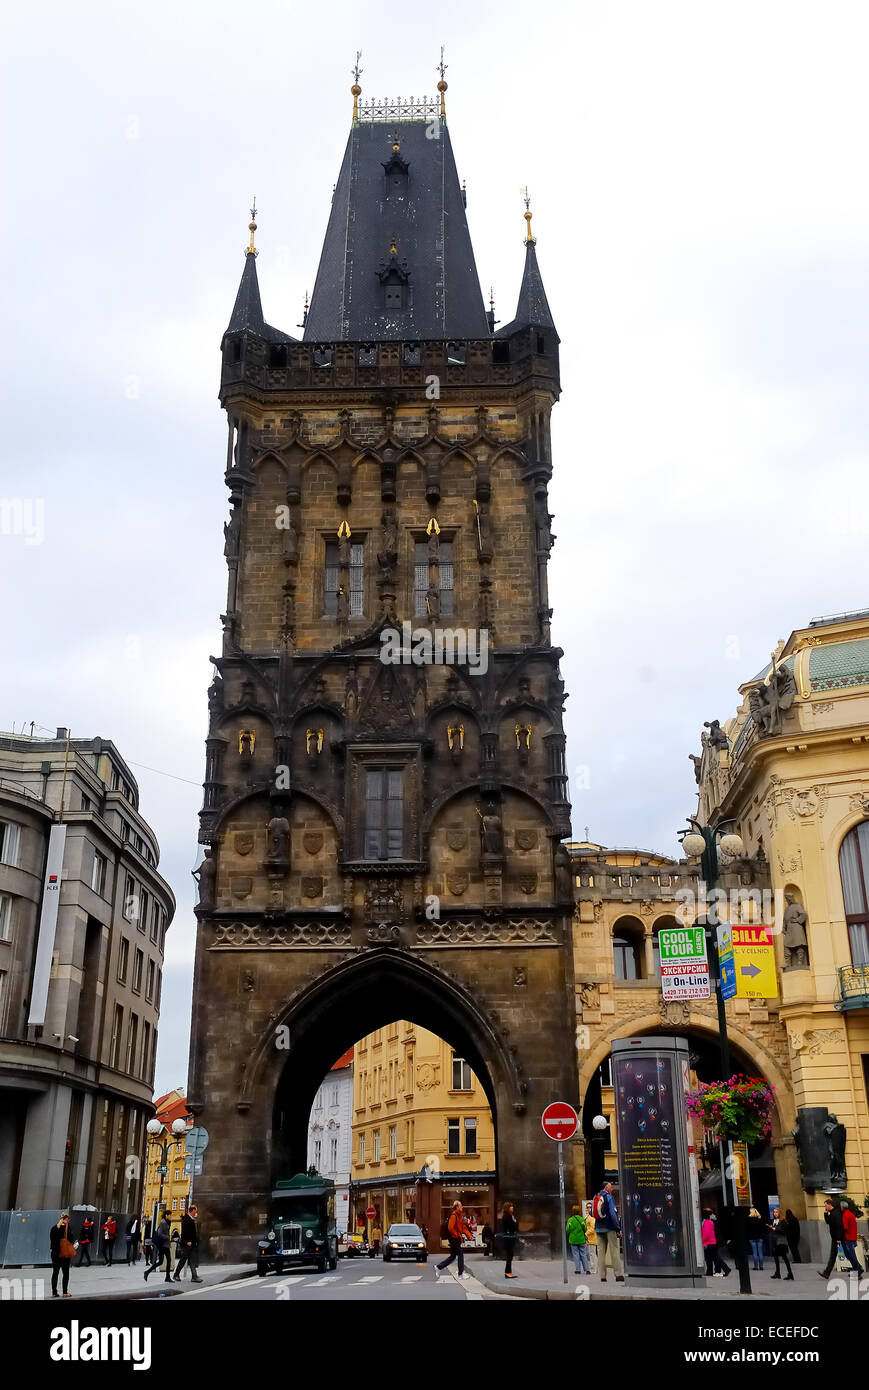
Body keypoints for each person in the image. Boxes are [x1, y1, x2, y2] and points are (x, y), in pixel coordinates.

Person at [593, 1182, 624, 1282]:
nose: (612, 1189)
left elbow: (591, 1212)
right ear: (606, 1187)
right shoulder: (609, 1197)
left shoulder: (595, 1197)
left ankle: (602, 1276)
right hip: (609, 1228)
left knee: (601, 1252)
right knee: (614, 1251)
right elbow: (612, 1214)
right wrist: (618, 1227)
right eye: (611, 1187)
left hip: (598, 1228)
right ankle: (618, 1275)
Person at [435, 1200, 473, 1280]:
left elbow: (463, 1227)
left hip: (455, 1238)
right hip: (454, 1239)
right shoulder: (454, 1216)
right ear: (456, 1207)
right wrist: (456, 1235)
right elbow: (450, 1227)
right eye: (460, 1206)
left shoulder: (459, 1216)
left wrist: (469, 1236)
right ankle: (460, 1274)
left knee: (453, 1256)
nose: (462, 1207)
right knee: (460, 1254)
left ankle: (438, 1267)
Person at [174, 1203, 204, 1283]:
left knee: (191, 1260)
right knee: (183, 1260)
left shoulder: (191, 1219)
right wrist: (188, 1241)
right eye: (196, 1211)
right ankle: (176, 1274)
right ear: (193, 1210)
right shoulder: (186, 1219)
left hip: (191, 1244)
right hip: (187, 1244)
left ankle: (194, 1276)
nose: (196, 1213)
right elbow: (185, 1232)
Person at [50, 1213, 74, 1298]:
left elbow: (52, 1241)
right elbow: (71, 1241)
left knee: (55, 1273)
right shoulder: (68, 1229)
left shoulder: (53, 1228)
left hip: (55, 1254)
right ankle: (65, 1292)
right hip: (64, 1255)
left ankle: (54, 1292)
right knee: (66, 1273)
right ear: (66, 1220)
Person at [701, 1209, 731, 1277]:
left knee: (714, 1257)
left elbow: (706, 1233)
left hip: (709, 1242)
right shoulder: (709, 1222)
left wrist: (702, 1241)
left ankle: (726, 1269)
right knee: (710, 1257)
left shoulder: (707, 1222)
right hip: (711, 1242)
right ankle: (710, 1271)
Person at [144, 1211, 173, 1283]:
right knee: (161, 1261)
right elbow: (160, 1234)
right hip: (162, 1245)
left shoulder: (167, 1222)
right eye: (170, 1215)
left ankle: (167, 1277)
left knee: (167, 1260)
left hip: (165, 1244)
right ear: (166, 1215)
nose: (171, 1216)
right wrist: (167, 1237)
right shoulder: (163, 1222)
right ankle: (147, 1272)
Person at [768, 1207, 794, 1281]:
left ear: (780, 1213)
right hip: (775, 1241)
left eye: (776, 1212)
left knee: (785, 1258)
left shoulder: (783, 1221)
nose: (775, 1213)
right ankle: (777, 1273)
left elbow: (784, 1231)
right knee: (776, 1257)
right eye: (774, 1212)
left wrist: (775, 1229)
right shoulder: (774, 1221)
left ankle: (790, 1274)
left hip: (782, 1242)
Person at [566, 1205, 590, 1276]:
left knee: (576, 1255)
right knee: (583, 1254)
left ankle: (578, 1270)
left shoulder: (570, 1220)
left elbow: (567, 1230)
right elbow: (585, 1229)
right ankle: (587, 1270)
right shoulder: (582, 1219)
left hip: (573, 1240)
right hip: (581, 1239)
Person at [841, 1204, 865, 1275]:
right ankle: (858, 1268)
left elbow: (845, 1227)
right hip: (853, 1237)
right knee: (851, 1254)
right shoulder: (851, 1214)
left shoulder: (845, 1215)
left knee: (851, 1255)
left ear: (842, 1207)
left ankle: (858, 1269)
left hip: (848, 1237)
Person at [498, 1201, 518, 1278]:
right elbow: (512, 1225)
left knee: (510, 1255)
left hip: (510, 1237)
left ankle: (508, 1272)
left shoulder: (510, 1216)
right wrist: (515, 1223)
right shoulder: (507, 1216)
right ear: (508, 1208)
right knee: (509, 1255)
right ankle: (508, 1272)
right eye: (511, 1206)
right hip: (509, 1237)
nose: (512, 1208)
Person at [584, 1202, 598, 1273]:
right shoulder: (587, 1217)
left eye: (590, 1207)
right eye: (587, 1207)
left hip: (592, 1238)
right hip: (589, 1238)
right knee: (591, 1254)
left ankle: (594, 1268)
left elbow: (592, 1228)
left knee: (593, 1254)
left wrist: (585, 1233)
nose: (588, 1208)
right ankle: (593, 1267)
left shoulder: (592, 1218)